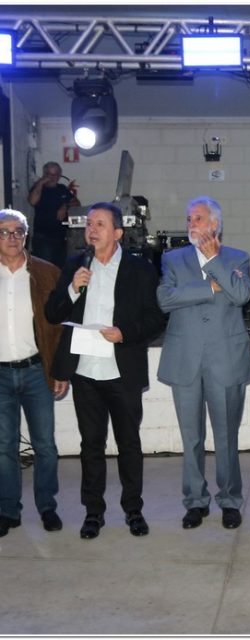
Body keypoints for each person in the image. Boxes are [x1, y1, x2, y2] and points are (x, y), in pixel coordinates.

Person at [45, 202, 166, 540]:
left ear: (117, 232)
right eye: (89, 224)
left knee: (129, 444)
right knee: (91, 446)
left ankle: (133, 510)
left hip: (121, 370)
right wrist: (73, 289)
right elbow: (53, 314)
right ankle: (93, 512)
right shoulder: (75, 265)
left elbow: (155, 318)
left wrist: (124, 332)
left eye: (100, 224)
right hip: (85, 371)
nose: (92, 230)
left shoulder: (139, 269)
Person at [157, 196, 250, 531]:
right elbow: (165, 299)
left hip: (225, 359)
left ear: (215, 223)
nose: (191, 224)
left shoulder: (237, 258)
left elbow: (240, 295)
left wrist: (214, 263)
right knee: (191, 439)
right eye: (189, 218)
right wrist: (210, 287)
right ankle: (196, 501)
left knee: (226, 437)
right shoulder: (172, 259)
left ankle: (229, 500)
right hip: (184, 358)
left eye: (198, 218)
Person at [0, 209, 68, 538]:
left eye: (18, 231)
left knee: (45, 446)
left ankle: (47, 507)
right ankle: (8, 510)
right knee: (4, 447)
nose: (12, 237)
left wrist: (60, 370)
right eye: (4, 231)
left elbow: (60, 327)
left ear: (26, 236)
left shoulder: (46, 273)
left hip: (36, 372)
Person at [28, 161, 80, 268]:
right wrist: (41, 183)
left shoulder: (62, 189)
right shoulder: (38, 188)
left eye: (55, 174)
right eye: (49, 174)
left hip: (61, 238)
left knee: (60, 270)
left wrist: (65, 205)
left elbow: (77, 203)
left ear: (59, 175)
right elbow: (32, 201)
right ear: (44, 174)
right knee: (45, 270)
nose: (52, 177)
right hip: (43, 238)